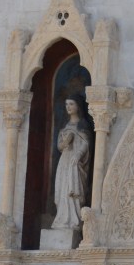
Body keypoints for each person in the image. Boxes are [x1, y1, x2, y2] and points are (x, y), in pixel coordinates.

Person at [51, 97, 90, 230]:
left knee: (73, 189)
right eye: (66, 104)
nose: (68, 107)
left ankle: (75, 219)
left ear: (78, 106)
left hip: (75, 162)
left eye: (71, 104)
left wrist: (78, 154)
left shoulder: (83, 125)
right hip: (65, 161)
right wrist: (65, 142)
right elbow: (59, 146)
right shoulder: (65, 127)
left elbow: (86, 143)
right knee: (63, 188)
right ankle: (62, 218)